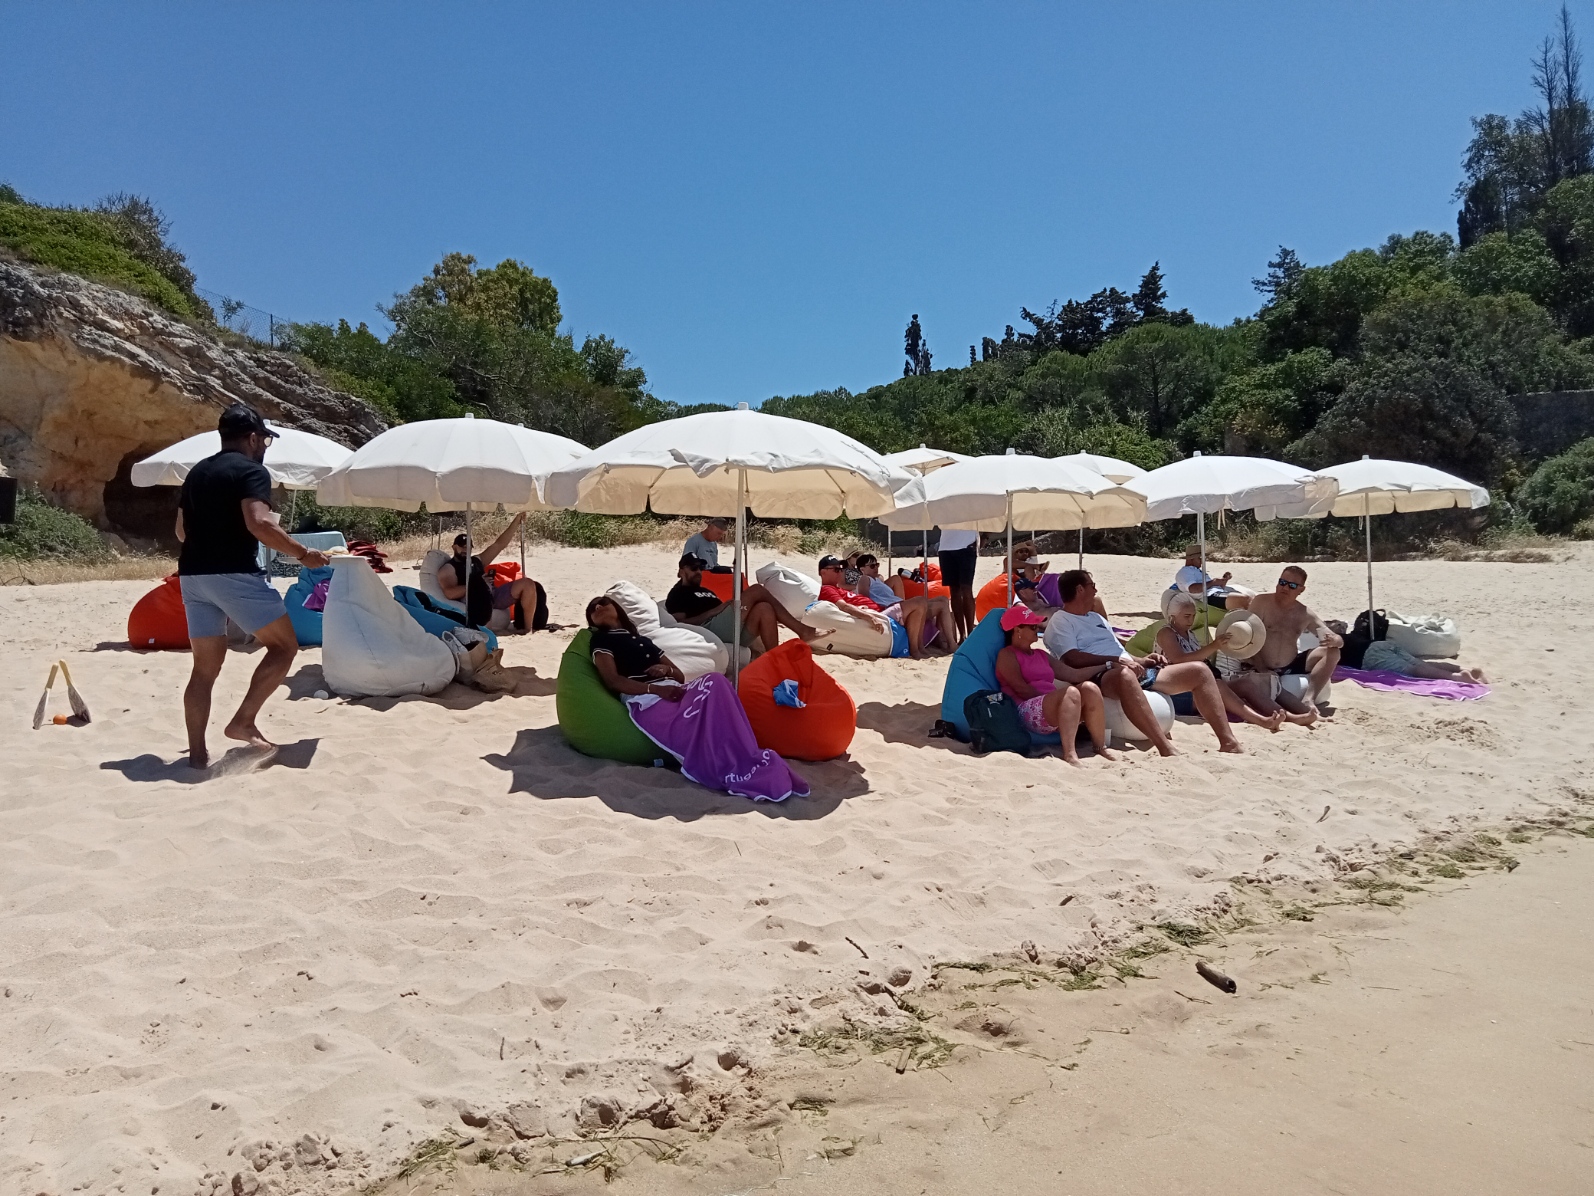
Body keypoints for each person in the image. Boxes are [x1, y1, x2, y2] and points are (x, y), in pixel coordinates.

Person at [175, 403, 332, 768]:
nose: (264, 446)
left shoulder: (196, 473)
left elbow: (181, 531)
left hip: (192, 575)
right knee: (284, 647)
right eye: (264, 439)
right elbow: (259, 523)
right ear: (252, 438)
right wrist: (303, 554)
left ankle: (197, 756)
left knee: (203, 670)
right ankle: (243, 722)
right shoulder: (251, 471)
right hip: (233, 573)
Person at [585, 596, 808, 802]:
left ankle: (744, 755)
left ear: (617, 609)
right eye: (593, 609)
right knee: (712, 684)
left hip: (672, 688)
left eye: (603, 602)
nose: (598, 607)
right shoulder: (601, 640)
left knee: (718, 682)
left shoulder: (642, 640)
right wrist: (655, 689)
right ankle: (728, 764)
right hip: (645, 699)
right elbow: (613, 681)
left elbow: (679, 675)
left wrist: (666, 670)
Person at [1044, 568, 1243, 756]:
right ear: (1080, 589)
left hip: (1125, 666)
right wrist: (1114, 661)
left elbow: (1118, 650)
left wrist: (1144, 660)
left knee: (1199, 670)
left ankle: (1228, 741)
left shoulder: (1096, 618)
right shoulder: (1061, 620)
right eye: (1092, 585)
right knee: (1124, 675)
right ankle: (1164, 746)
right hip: (1100, 672)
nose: (1095, 590)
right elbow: (1072, 658)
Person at [994, 607, 1113, 765]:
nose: (1038, 629)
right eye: (1033, 627)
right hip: (1024, 709)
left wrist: (1108, 665)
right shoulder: (1007, 655)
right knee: (1070, 693)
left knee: (1090, 689)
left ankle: (1099, 747)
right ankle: (1070, 754)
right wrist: (1056, 701)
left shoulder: (1040, 654)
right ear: (1018, 630)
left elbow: (1074, 675)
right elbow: (1021, 689)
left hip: (1048, 705)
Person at [1155, 593, 1288, 731]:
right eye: (1187, 616)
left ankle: (1286, 715)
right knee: (1217, 686)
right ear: (1173, 616)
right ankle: (1261, 720)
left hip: (1193, 688)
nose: (1191, 620)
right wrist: (1213, 646)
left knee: (1245, 684)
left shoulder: (1190, 634)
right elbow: (1179, 660)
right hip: (1175, 692)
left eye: (1193, 616)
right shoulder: (1166, 633)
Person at [1230, 566, 1341, 720]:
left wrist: (1336, 640)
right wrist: (1261, 667)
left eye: (1292, 585)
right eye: (1282, 582)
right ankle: (1298, 714)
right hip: (1260, 663)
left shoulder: (1304, 613)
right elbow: (1250, 637)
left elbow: (1333, 636)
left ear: (1301, 589)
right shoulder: (1261, 602)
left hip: (1290, 663)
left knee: (1333, 651)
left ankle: (1309, 699)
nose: (1285, 588)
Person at [666, 553, 810, 653]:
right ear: (681, 572)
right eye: (693, 568)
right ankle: (801, 630)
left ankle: (775, 658)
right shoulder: (677, 593)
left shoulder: (706, 590)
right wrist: (713, 612)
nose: (698, 571)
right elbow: (679, 623)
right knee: (756, 590)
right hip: (710, 628)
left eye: (700, 568)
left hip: (728, 627)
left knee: (764, 608)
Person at [817, 555, 951, 659]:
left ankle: (921, 648)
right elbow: (844, 607)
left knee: (925, 602)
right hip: (881, 615)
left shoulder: (840, 589)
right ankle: (915, 650)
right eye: (836, 569)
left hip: (881, 611)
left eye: (841, 569)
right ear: (823, 572)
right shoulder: (827, 589)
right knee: (919, 602)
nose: (840, 572)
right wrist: (870, 617)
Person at [438, 512, 546, 632]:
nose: (465, 550)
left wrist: (516, 522)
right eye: (462, 546)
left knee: (528, 583)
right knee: (482, 594)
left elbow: (499, 545)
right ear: (454, 547)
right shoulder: (449, 568)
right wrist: (478, 584)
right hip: (475, 599)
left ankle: (527, 629)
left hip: (493, 592)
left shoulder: (477, 560)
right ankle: (488, 632)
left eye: (468, 547)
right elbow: (449, 593)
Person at [855, 553, 958, 646]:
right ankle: (951, 644)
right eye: (872, 566)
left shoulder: (877, 580)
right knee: (931, 602)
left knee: (944, 599)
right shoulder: (864, 578)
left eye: (877, 565)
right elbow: (865, 599)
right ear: (862, 569)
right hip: (890, 608)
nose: (876, 568)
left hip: (898, 605)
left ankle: (944, 641)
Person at [1361, 637, 1488, 684]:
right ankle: (1465, 670)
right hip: (1381, 644)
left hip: (1370, 656)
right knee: (1421, 664)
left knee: (1412, 670)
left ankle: (1456, 677)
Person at [1170, 543, 1250, 611]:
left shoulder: (1198, 571)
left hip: (1217, 592)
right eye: (1199, 558)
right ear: (1191, 559)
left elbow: (1211, 586)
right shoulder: (1185, 572)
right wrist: (1213, 582)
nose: (1202, 561)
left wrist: (1223, 580)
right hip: (1210, 596)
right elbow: (1193, 589)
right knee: (1245, 600)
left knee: (1251, 600)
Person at [937, 527, 980, 640]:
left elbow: (987, 519)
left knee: (966, 589)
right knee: (954, 591)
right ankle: (962, 635)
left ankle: (970, 634)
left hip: (966, 546)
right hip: (946, 547)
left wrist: (984, 537)